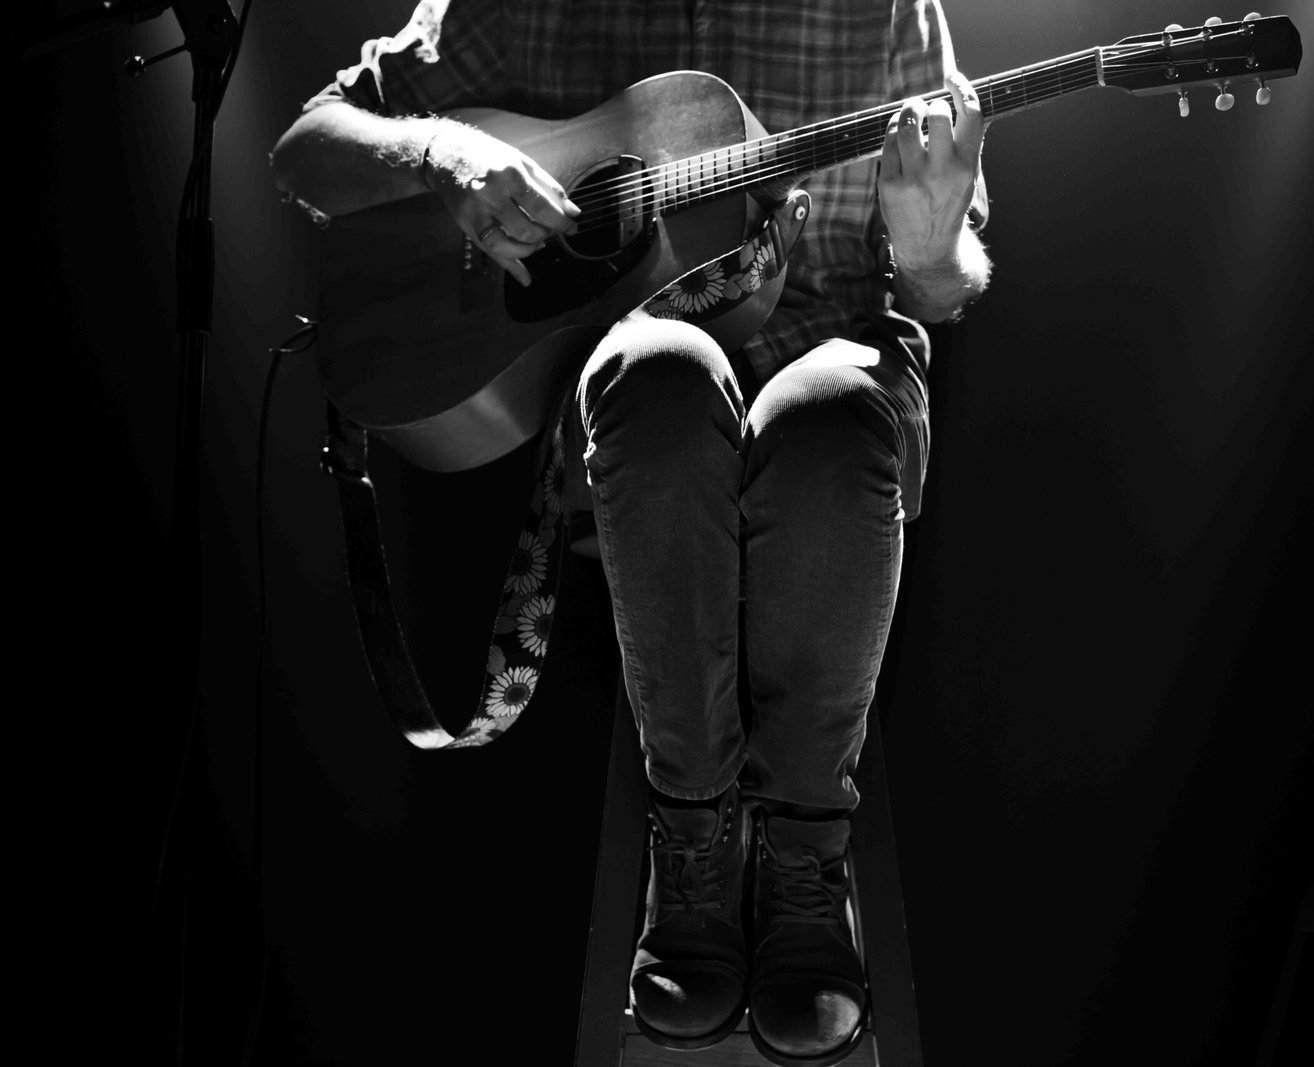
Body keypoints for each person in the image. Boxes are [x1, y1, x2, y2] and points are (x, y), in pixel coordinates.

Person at [272, 1, 990, 1061]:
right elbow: (305, 149)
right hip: (634, 401)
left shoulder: (887, 11)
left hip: (833, 351)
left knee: (827, 416)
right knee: (660, 371)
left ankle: (805, 861)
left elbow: (943, 284)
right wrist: (442, 157)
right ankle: (691, 849)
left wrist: (931, 252)